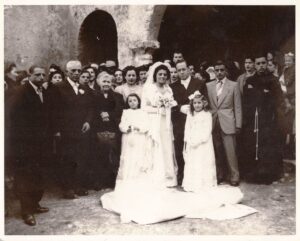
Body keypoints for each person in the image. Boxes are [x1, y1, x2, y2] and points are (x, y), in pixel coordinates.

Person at [10, 65, 52, 226]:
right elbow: (14, 118)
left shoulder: (43, 91)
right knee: (25, 177)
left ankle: (35, 204)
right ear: (30, 75)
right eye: (37, 75)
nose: (41, 77)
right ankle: (26, 211)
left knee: (38, 174)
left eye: (43, 74)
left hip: (41, 143)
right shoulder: (21, 92)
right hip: (25, 144)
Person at [240, 53, 283, 184]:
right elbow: (246, 101)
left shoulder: (273, 80)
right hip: (253, 119)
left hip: (268, 119)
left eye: (263, 63)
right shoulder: (249, 81)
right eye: (258, 64)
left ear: (266, 63)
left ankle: (268, 175)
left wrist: (264, 96)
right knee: (253, 146)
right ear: (254, 65)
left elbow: (278, 99)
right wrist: (263, 94)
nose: (261, 66)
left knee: (267, 146)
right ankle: (253, 175)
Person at [54, 60, 93, 198]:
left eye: (79, 71)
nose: (77, 73)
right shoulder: (58, 88)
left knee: (81, 157)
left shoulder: (85, 88)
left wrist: (88, 121)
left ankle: (78, 185)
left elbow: (90, 108)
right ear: (66, 72)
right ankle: (67, 188)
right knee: (67, 158)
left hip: (81, 129)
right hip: (66, 130)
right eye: (73, 71)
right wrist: (57, 129)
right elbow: (54, 111)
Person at [170, 60, 208, 185]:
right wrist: (179, 107)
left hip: (196, 122)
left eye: (183, 69)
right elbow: (170, 104)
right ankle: (182, 174)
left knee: (196, 147)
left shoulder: (199, 83)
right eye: (178, 70)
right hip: (179, 122)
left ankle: (197, 175)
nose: (181, 72)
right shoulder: (173, 86)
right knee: (180, 148)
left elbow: (205, 101)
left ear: (188, 69)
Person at [141, 62, 178, 187]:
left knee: (166, 145)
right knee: (155, 145)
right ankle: (155, 176)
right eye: (160, 74)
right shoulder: (149, 88)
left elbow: (172, 103)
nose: (162, 76)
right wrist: (157, 110)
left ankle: (168, 176)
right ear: (155, 75)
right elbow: (144, 107)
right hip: (153, 121)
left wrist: (170, 105)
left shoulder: (169, 89)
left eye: (164, 74)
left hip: (166, 121)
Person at [206, 60, 242, 186]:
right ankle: (220, 174)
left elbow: (237, 106)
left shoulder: (233, 85)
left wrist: (238, 124)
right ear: (214, 71)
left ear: (225, 71)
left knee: (230, 151)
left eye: (222, 70)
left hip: (228, 121)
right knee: (217, 150)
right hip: (213, 121)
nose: (219, 72)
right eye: (217, 70)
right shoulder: (209, 86)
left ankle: (234, 175)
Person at [92, 71, 124, 190]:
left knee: (113, 155)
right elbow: (91, 110)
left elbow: (120, 111)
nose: (106, 84)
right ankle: (99, 181)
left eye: (108, 81)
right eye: (104, 81)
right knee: (99, 155)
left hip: (113, 128)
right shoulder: (94, 95)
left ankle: (112, 180)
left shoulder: (117, 96)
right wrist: (100, 114)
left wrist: (109, 114)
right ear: (99, 82)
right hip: (98, 128)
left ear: (112, 83)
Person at [182, 92, 216, 192]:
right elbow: (187, 128)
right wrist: (188, 140)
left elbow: (207, 131)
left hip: (203, 143)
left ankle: (203, 184)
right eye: (195, 103)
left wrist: (199, 141)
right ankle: (192, 183)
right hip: (191, 141)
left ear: (204, 103)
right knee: (192, 162)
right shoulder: (190, 114)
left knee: (202, 162)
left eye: (199, 103)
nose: (197, 105)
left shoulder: (207, 114)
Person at [116, 94, 149, 188]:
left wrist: (140, 128)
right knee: (129, 156)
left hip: (139, 137)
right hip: (128, 137)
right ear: (128, 103)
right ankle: (128, 177)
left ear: (138, 101)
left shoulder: (143, 112)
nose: (132, 102)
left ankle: (139, 178)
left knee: (139, 155)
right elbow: (121, 125)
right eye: (130, 101)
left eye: (134, 100)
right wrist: (127, 128)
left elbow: (146, 125)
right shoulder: (126, 112)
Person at [278, 52, 295, 160]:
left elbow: (288, 82)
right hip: (286, 97)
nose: (287, 62)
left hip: (293, 97)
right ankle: (287, 150)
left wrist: (284, 83)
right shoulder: (285, 69)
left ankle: (291, 150)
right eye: (286, 60)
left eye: (289, 60)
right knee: (287, 125)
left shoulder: (295, 69)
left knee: (292, 126)